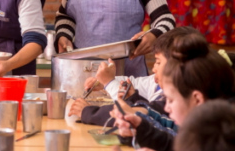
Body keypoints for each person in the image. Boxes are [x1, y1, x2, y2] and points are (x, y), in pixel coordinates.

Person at [112, 30, 235, 151]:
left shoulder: (219, 137)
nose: (166, 107)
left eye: (171, 100)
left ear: (197, 99)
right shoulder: (203, 124)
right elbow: (171, 131)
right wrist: (139, 128)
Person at [69, 27, 198, 126]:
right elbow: (139, 94)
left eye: (158, 62)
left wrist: (87, 112)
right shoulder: (158, 85)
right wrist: (106, 83)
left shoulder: (176, 100)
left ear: (176, 65)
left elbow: (136, 114)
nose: (153, 68)